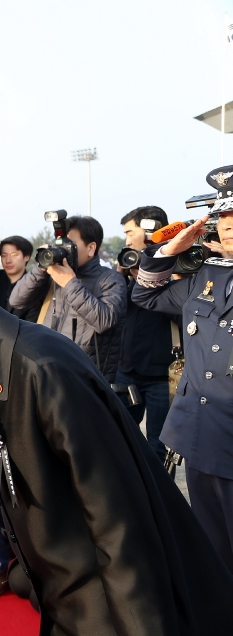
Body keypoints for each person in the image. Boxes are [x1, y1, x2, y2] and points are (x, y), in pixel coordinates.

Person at [0, 275, 233, 635]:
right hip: (61, 581)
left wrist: (140, 624)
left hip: (104, 589)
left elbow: (118, 516)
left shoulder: (42, 369)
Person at [133, 164, 233, 574]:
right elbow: (144, 293)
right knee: (212, 543)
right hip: (199, 430)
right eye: (224, 220)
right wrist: (173, 248)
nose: (228, 228)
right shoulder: (205, 274)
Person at [10, 215, 127, 382]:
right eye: (59, 244)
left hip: (87, 379)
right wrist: (40, 268)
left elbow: (104, 321)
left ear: (91, 248)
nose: (63, 250)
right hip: (48, 372)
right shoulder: (52, 275)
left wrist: (70, 283)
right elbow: (16, 301)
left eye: (69, 244)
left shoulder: (111, 279)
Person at [116, 206, 175, 464]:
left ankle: (160, 501)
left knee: (158, 448)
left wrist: (158, 277)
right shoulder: (128, 266)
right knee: (120, 439)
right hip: (127, 369)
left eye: (131, 232)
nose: (127, 240)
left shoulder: (177, 263)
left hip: (163, 372)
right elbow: (116, 313)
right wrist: (123, 277)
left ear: (150, 230)